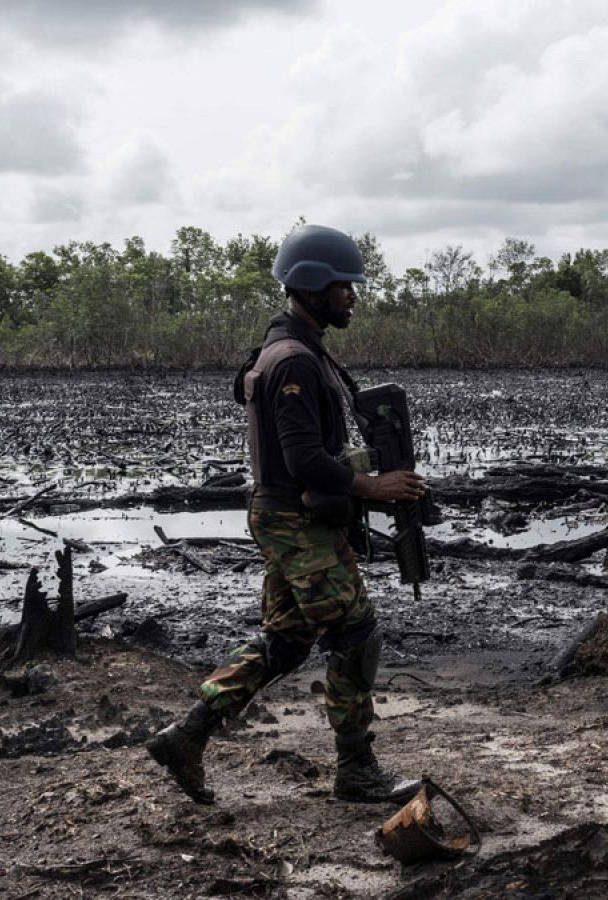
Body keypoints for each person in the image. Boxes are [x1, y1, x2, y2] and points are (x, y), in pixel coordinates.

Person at [146, 224, 426, 805]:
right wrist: (373, 486)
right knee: (356, 631)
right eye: (344, 286)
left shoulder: (292, 349)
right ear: (313, 285)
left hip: (287, 518)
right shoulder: (294, 361)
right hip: (294, 519)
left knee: (288, 641)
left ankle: (187, 735)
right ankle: (356, 771)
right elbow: (303, 460)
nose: (353, 296)